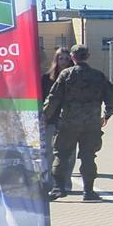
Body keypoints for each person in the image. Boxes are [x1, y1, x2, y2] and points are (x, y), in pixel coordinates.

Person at [42, 44, 113, 201]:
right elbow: (111, 100)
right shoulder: (98, 76)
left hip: (68, 123)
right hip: (91, 124)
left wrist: (45, 117)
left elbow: (53, 98)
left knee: (61, 155)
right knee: (88, 157)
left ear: (72, 57)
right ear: (87, 56)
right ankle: (88, 192)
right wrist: (106, 115)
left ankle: (58, 188)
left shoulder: (66, 74)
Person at [40, 47, 74, 193]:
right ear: (56, 59)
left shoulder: (75, 77)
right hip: (51, 120)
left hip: (70, 121)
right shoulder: (47, 78)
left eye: (67, 59)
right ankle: (50, 182)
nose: (64, 61)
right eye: (61, 58)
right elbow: (42, 100)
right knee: (49, 153)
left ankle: (65, 183)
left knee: (69, 154)